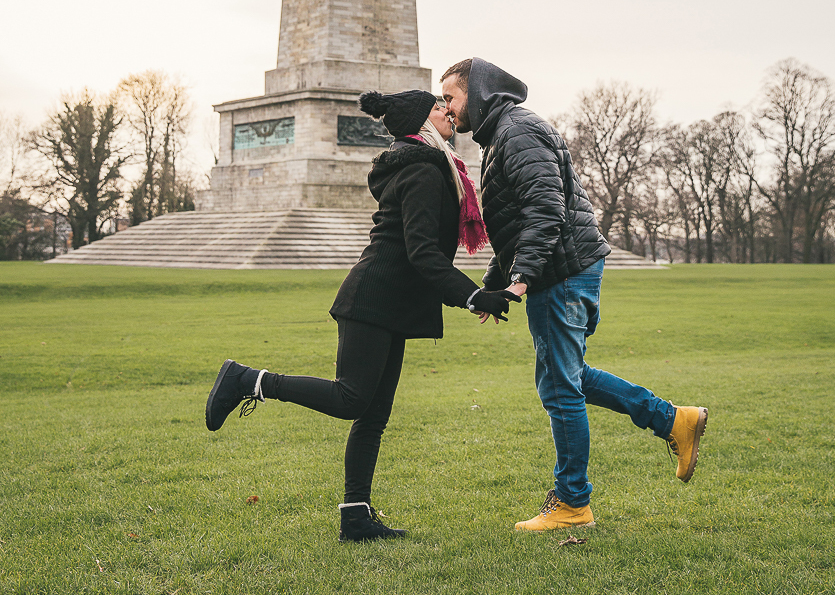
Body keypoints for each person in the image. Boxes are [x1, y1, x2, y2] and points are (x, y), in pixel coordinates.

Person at [204, 87, 520, 543]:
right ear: (422, 121)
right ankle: (246, 379)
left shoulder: (431, 165)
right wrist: (473, 297)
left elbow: (423, 254)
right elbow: (422, 254)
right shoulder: (424, 171)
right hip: (373, 298)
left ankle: (355, 515)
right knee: (352, 399)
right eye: (439, 106)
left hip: (390, 303)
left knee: (373, 415)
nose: (449, 111)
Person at [440, 57, 708, 532]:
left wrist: (521, 277)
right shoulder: (504, 134)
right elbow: (513, 221)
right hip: (562, 272)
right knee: (572, 376)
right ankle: (674, 421)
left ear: (477, 93)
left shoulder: (517, 133)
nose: (448, 108)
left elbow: (545, 210)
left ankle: (572, 503)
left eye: (452, 97)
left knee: (561, 388)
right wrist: (493, 283)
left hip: (560, 274)